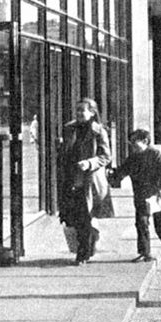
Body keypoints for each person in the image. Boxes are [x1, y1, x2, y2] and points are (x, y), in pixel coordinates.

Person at [111, 129, 161, 266]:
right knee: (141, 224)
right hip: (141, 197)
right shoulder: (133, 158)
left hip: (158, 197)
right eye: (130, 143)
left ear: (145, 141)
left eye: (134, 142)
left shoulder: (156, 155)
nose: (132, 146)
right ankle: (145, 252)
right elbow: (121, 172)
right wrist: (112, 176)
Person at [57, 98, 112, 265]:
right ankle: (88, 244)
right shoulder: (69, 129)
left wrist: (89, 163)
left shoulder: (98, 131)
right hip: (70, 178)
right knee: (73, 217)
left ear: (92, 112)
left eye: (83, 110)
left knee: (84, 216)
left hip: (88, 180)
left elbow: (106, 156)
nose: (80, 113)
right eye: (78, 110)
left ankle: (82, 253)